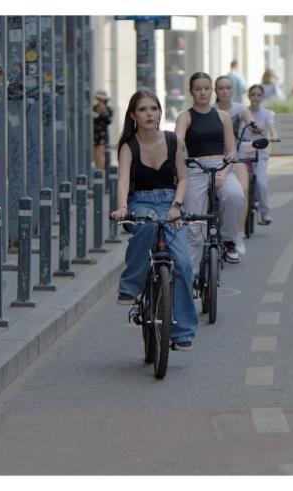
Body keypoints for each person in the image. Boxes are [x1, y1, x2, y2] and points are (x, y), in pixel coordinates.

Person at [111, 88, 197, 351]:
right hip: (141, 202)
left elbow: (182, 178)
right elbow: (123, 180)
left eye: (154, 108)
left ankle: (182, 332)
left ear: (160, 111)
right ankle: (131, 285)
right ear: (133, 115)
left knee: (182, 262)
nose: (150, 114)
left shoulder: (173, 141)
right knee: (146, 227)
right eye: (143, 109)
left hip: (171, 202)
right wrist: (122, 207)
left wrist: (177, 206)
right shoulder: (129, 146)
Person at [175, 72, 246, 269]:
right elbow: (177, 142)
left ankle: (229, 241)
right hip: (195, 168)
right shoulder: (185, 116)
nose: (203, 93)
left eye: (206, 88)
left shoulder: (222, 116)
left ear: (211, 90)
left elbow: (231, 151)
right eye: (198, 89)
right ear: (191, 92)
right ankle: (192, 273)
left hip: (221, 167)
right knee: (193, 220)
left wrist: (224, 173)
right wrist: (176, 149)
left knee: (236, 196)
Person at [214, 75, 260, 256]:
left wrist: (255, 127)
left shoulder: (240, 109)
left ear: (233, 90)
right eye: (221, 88)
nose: (225, 91)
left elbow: (251, 122)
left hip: (237, 156)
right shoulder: (211, 110)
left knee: (243, 191)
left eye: (228, 88)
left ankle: (238, 234)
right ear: (216, 91)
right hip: (217, 157)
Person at [245, 84, 278, 226]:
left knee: (260, 182)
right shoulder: (243, 112)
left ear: (262, 97)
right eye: (253, 94)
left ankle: (264, 213)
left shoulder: (267, 114)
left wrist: (274, 137)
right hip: (244, 151)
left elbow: (272, 130)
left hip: (260, 152)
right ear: (249, 96)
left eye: (258, 95)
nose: (255, 98)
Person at [92, 90, 113, 171]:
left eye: (102, 100)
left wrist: (102, 112)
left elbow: (108, 120)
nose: (100, 101)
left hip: (102, 137)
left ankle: (101, 173)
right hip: (94, 135)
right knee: (95, 156)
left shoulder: (108, 109)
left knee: (100, 156)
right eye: (99, 99)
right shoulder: (94, 108)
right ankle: (99, 172)